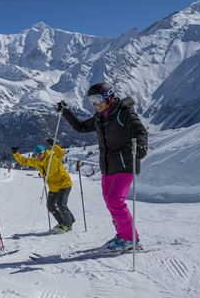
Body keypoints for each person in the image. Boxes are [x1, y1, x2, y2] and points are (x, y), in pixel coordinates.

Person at [57, 82, 148, 251]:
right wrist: (66, 112)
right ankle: (123, 234)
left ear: (109, 97)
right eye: (92, 101)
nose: (95, 104)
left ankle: (130, 240)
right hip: (108, 166)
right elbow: (81, 127)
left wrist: (141, 146)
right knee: (110, 202)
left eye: (98, 99)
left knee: (115, 201)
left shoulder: (124, 113)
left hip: (124, 164)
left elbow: (139, 131)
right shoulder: (101, 116)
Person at [11, 140, 75, 233]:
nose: (38, 156)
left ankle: (68, 225)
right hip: (53, 187)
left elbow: (61, 153)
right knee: (50, 206)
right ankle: (62, 222)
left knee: (61, 204)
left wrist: (54, 145)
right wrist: (15, 153)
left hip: (64, 184)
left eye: (39, 154)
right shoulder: (37, 162)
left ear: (44, 152)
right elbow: (24, 161)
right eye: (36, 154)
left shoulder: (53, 157)